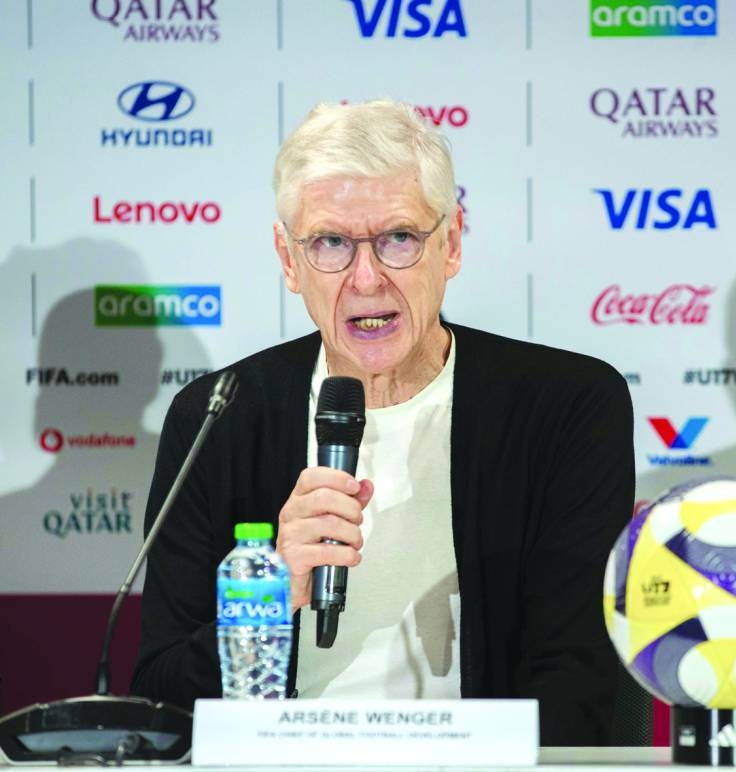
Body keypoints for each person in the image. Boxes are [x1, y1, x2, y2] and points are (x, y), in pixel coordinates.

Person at [131, 100, 636, 746]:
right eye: (331, 244)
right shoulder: (218, 418)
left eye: (399, 238)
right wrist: (268, 595)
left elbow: (576, 687)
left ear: (450, 245)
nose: (366, 278)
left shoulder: (565, 409)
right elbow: (160, 699)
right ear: (289, 261)